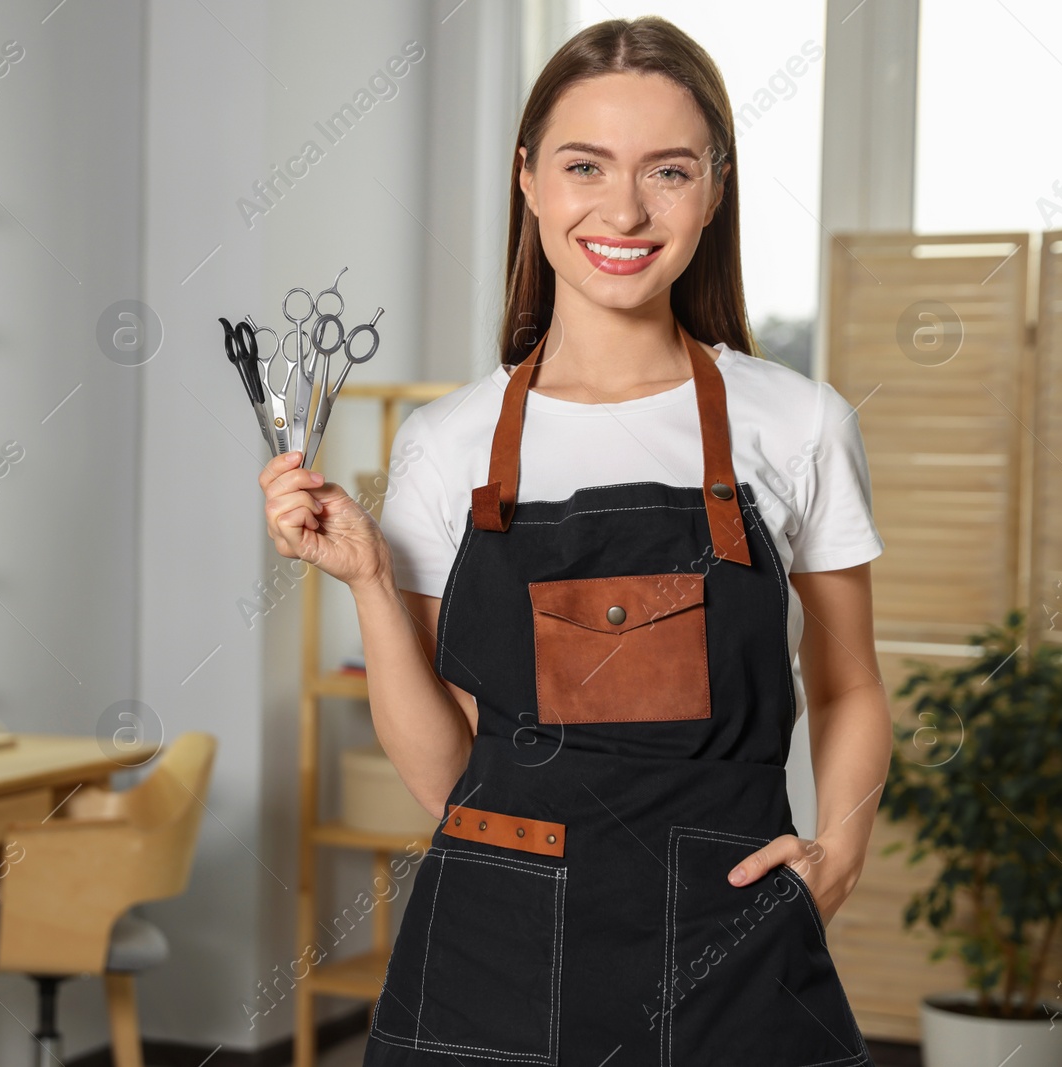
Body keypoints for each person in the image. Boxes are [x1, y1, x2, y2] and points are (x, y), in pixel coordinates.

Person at [259, 15, 890, 1065]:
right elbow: (445, 775)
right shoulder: (446, 442)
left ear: (715, 187)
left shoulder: (798, 422)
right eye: (584, 165)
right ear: (529, 180)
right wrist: (369, 578)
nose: (625, 208)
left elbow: (848, 687)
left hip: (731, 948)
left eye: (669, 170)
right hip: (491, 953)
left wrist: (838, 858)